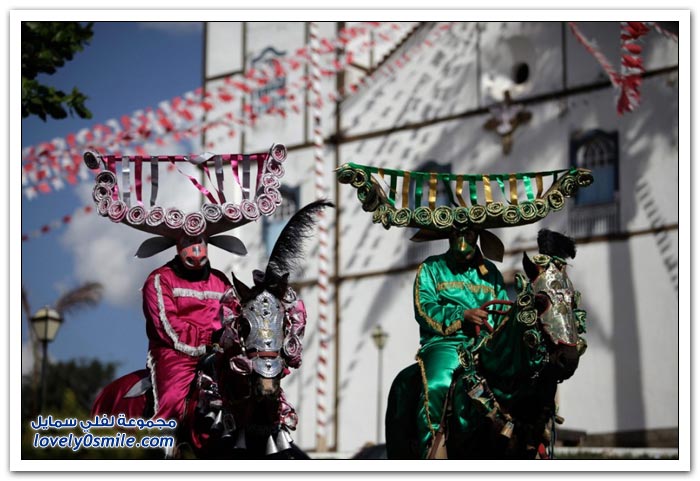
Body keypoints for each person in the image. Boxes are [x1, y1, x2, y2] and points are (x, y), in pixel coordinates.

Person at [412, 227, 510, 459]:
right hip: (446, 343)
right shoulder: (431, 268)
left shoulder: (492, 272)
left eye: (468, 235)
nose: (462, 241)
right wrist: (462, 315)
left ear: (477, 235)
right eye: (457, 235)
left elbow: (503, 311)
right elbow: (424, 308)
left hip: (485, 344)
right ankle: (430, 454)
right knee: (436, 384)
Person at [142, 235, 238, 424]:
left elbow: (234, 314)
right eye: (188, 242)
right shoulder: (160, 280)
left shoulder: (221, 280)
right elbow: (167, 326)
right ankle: (164, 447)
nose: (195, 248)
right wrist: (210, 338)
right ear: (177, 245)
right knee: (171, 401)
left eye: (199, 241)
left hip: (219, 355)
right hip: (174, 355)